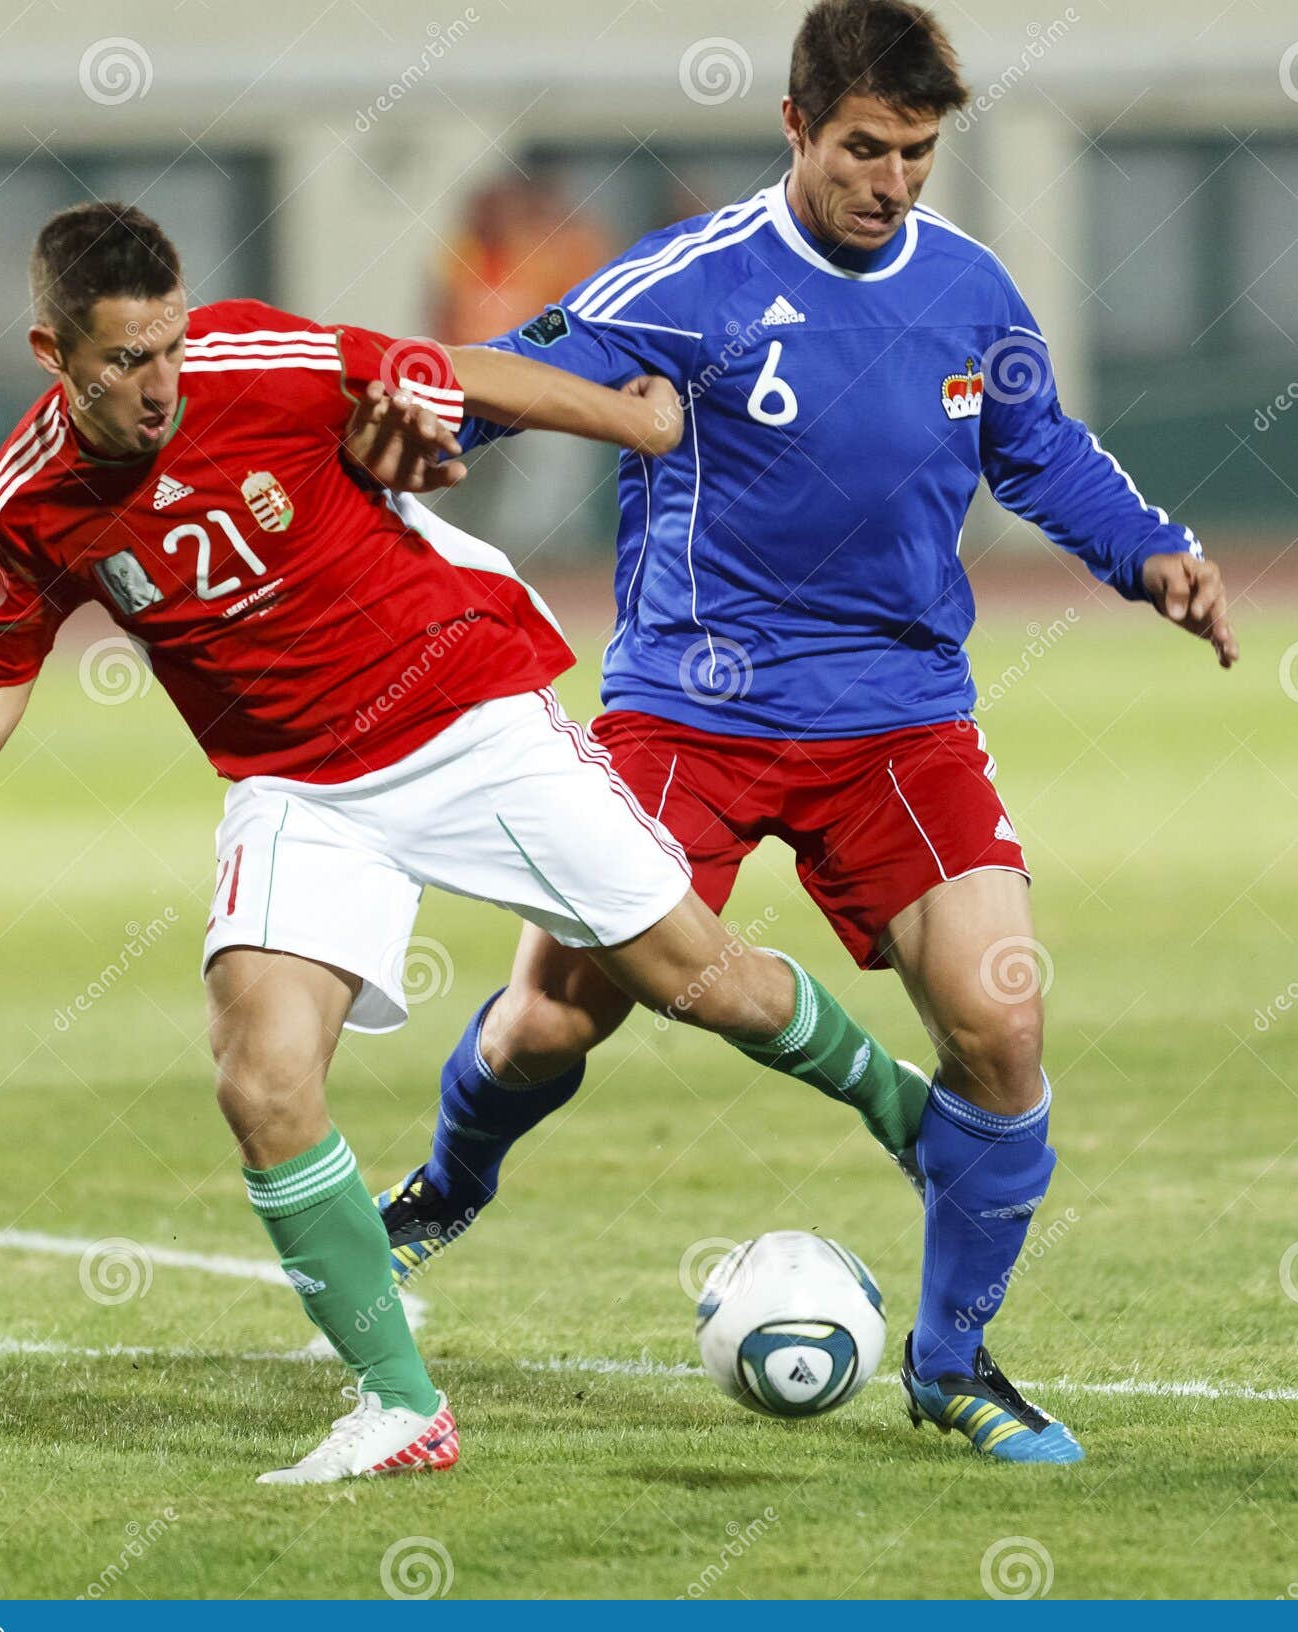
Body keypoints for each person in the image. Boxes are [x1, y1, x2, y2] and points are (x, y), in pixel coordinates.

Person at [0, 200, 925, 1486]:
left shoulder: (259, 359)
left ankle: (916, 1117)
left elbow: (452, 371)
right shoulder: (30, 502)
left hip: (463, 709)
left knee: (707, 984)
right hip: (296, 785)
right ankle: (401, 1406)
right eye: (122, 362)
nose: (158, 385)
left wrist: (637, 421)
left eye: (169, 346)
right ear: (51, 355)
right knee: (258, 1076)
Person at [375, 0, 1238, 1465]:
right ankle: (448, 1184)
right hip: (685, 712)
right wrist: (431, 427)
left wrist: (1145, 549)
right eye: (861, 147)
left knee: (998, 1019)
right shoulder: (688, 280)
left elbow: (1034, 447)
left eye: (912, 153)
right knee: (554, 1013)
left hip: (896, 720)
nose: (888, 179)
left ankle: (954, 1364)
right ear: (793, 128)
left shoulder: (965, 291)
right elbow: (510, 367)